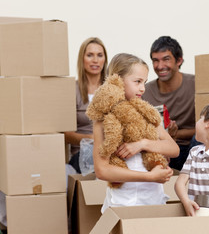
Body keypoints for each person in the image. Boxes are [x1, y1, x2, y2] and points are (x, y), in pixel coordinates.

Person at [90, 53, 179, 213]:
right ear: (118, 80)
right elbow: (102, 170)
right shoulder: (103, 120)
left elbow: (174, 149)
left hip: (153, 200)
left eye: (144, 82)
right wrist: (150, 177)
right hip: (123, 203)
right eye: (137, 82)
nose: (143, 88)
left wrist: (142, 144)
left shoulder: (147, 112)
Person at [142, 36, 199, 171]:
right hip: (160, 151)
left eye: (166, 59)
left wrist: (175, 134)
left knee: (202, 138)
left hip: (190, 150)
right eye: (155, 61)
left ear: (179, 60)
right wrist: (165, 137)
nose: (160, 66)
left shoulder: (196, 85)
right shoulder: (145, 91)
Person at [64, 37, 108, 173]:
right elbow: (65, 134)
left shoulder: (112, 89)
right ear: (82, 59)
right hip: (83, 153)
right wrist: (91, 139)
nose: (95, 60)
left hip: (111, 149)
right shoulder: (71, 89)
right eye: (90, 55)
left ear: (105, 60)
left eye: (99, 55)